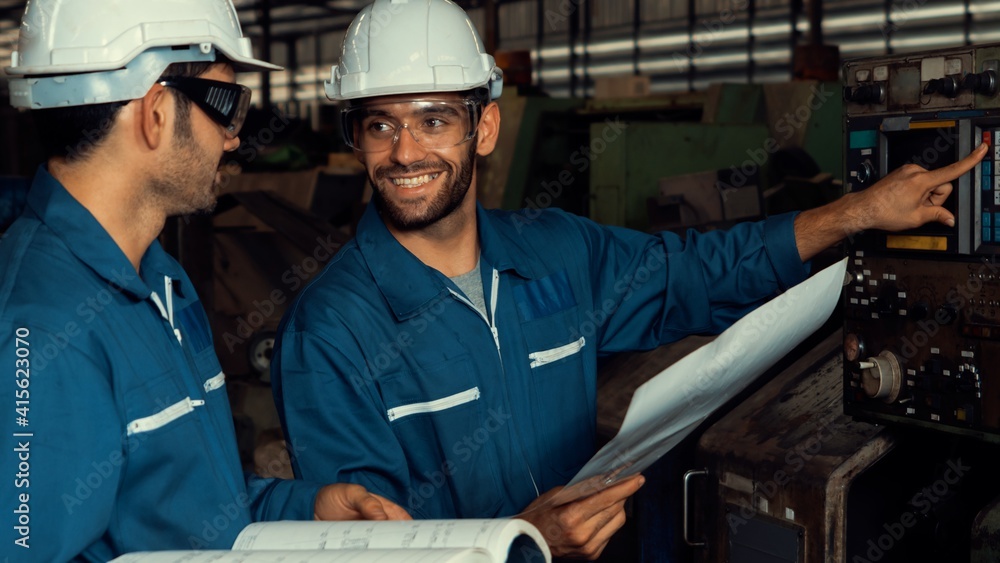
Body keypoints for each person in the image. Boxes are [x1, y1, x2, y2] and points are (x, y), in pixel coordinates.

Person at [269, 0, 988, 559]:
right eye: (379, 125)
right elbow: (361, 549)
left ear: (483, 128)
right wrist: (520, 539)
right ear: (355, 139)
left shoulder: (556, 253)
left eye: (433, 119)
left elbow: (702, 272)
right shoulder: (331, 329)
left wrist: (859, 211)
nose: (405, 151)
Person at [0, 1, 409, 561]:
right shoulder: (41, 332)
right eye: (227, 107)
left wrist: (306, 509)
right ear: (155, 113)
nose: (234, 139)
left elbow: (191, 502)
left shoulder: (162, 281)